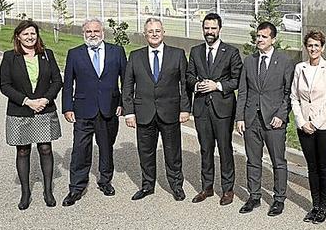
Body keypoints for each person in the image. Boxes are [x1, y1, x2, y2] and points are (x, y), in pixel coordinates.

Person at [122, 17, 191, 202]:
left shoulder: (177, 54)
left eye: (157, 31)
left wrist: (185, 109)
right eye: (150, 31)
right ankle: (147, 186)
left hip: (170, 112)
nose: (154, 34)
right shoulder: (135, 56)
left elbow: (185, 84)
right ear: (145, 34)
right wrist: (129, 112)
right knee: (146, 152)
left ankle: (176, 186)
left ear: (163, 33)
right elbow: (127, 86)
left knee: (173, 152)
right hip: (144, 113)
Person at [61, 18, 128, 206]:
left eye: (96, 31)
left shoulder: (117, 51)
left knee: (106, 147)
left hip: (109, 108)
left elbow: (126, 80)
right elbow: (68, 84)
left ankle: (105, 181)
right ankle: (76, 187)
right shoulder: (74, 54)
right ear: (84, 33)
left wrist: (123, 104)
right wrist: (67, 107)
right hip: (83, 109)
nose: (93, 35)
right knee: (80, 149)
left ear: (103, 33)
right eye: (89, 32)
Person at [0, 20, 62, 210]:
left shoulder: (47, 55)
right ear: (18, 36)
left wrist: (45, 99)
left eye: (33, 33)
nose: (30, 37)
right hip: (21, 110)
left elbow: (57, 80)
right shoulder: (10, 57)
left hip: (44, 108)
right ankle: (25, 193)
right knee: (23, 151)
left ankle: (48, 191)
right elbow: (5, 86)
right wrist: (27, 101)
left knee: (45, 149)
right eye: (25, 34)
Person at [235, 21, 294, 217]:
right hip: (252, 119)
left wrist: (281, 115)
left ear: (273, 39)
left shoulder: (284, 61)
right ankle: (254, 196)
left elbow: (288, 93)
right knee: (253, 160)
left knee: (278, 161)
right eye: (258, 36)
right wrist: (240, 117)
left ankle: (279, 199)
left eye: (264, 36)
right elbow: (243, 91)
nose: (259, 39)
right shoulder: (249, 61)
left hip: (274, 121)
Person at [187, 13, 243, 206]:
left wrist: (216, 85)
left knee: (225, 150)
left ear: (220, 29)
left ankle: (228, 189)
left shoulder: (231, 52)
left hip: (223, 109)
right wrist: (196, 85)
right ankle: (207, 187)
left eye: (213, 28)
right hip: (202, 108)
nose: (209, 32)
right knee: (205, 149)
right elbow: (189, 76)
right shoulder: (195, 51)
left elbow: (236, 80)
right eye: (206, 28)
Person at [290, 30, 326, 223]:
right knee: (312, 167)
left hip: (324, 126)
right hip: (304, 126)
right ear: (306, 47)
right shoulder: (299, 68)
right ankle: (315, 205)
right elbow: (294, 97)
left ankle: (324, 207)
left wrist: (315, 123)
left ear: (322, 48)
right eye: (310, 45)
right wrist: (302, 122)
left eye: (316, 45)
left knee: (324, 167)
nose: (313, 49)